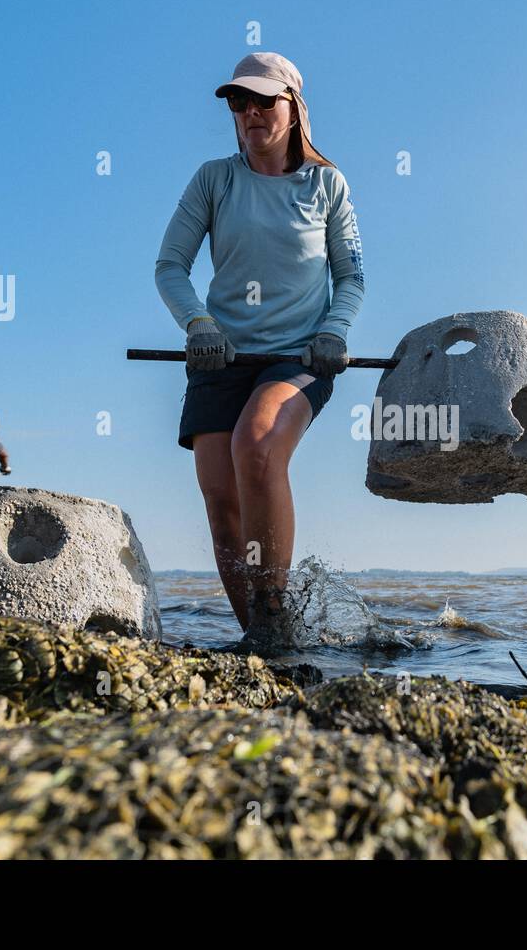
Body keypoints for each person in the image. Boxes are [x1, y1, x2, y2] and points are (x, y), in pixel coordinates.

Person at [155, 52, 365, 648]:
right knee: (220, 496)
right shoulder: (212, 179)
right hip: (218, 356)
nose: (249, 112)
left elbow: (351, 277)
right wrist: (197, 324)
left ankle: (273, 612)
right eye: (238, 102)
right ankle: (262, 642)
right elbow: (170, 266)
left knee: (257, 445)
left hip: (298, 359)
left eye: (262, 101)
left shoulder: (327, 183)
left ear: (293, 106)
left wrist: (336, 330)